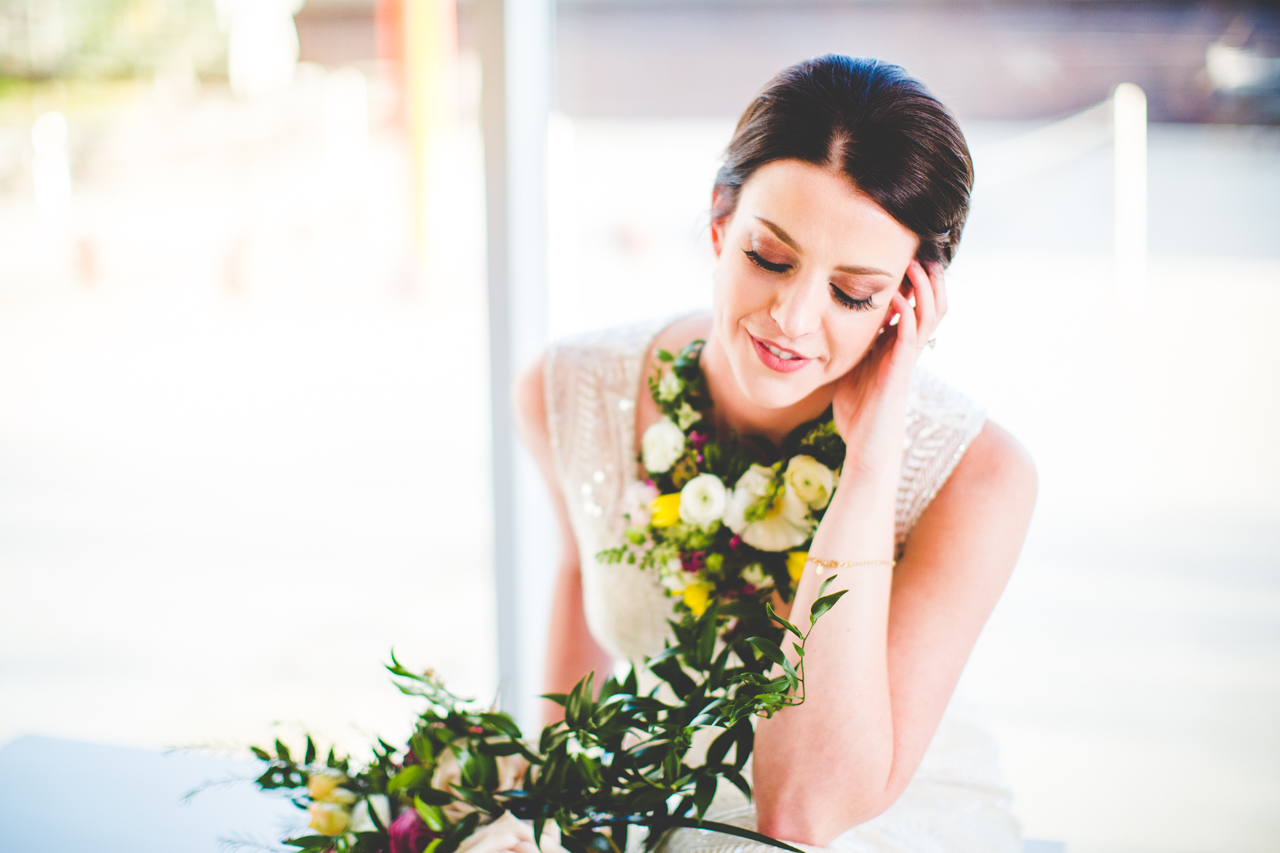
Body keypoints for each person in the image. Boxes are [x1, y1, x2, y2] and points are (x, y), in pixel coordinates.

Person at [515, 55, 1037, 853]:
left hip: (884, 822)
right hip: (663, 804)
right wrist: (540, 808)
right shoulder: (573, 389)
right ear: (721, 224)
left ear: (911, 300)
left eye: (853, 293)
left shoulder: (981, 477)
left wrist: (869, 464)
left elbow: (803, 814)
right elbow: (578, 591)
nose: (792, 319)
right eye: (770, 257)